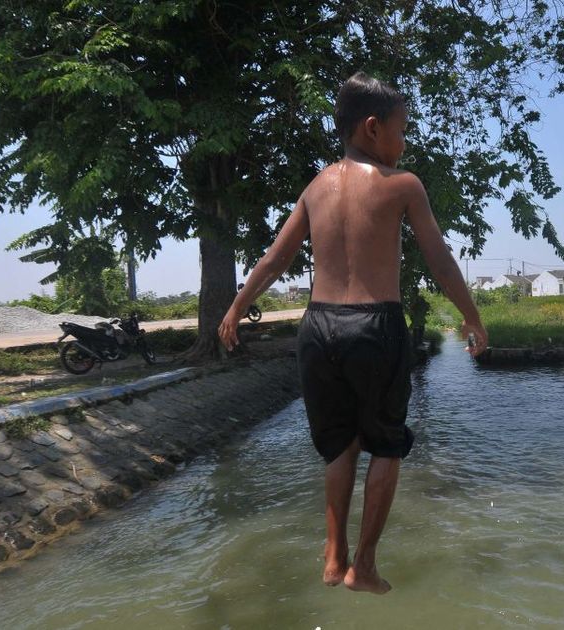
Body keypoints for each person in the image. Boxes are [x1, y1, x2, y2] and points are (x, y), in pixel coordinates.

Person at [218, 71, 487, 595]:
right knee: (386, 446)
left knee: (339, 446)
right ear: (372, 128)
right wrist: (472, 316)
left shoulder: (316, 186)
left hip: (316, 331)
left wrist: (234, 310)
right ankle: (362, 565)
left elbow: (275, 260)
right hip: (374, 324)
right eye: (401, 129)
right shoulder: (402, 184)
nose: (404, 142)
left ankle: (332, 555)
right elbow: (439, 259)